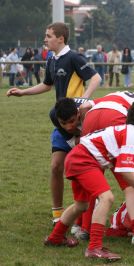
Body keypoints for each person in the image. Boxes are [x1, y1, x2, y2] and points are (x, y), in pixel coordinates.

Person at [44, 99, 134, 262]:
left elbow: (127, 171)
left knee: (82, 205)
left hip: (78, 158)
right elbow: (126, 173)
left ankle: (56, 237)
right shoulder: (130, 133)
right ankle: (94, 248)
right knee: (107, 197)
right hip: (83, 160)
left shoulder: (130, 132)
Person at [6, 22, 101, 224]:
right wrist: (23, 92)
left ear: (61, 38)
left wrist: (83, 101)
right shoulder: (51, 59)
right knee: (56, 166)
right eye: (46, 35)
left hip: (78, 124)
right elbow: (47, 85)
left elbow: (95, 78)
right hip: (61, 123)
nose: (45, 39)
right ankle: (58, 216)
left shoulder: (74, 57)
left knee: (82, 170)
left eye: (49, 36)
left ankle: (85, 215)